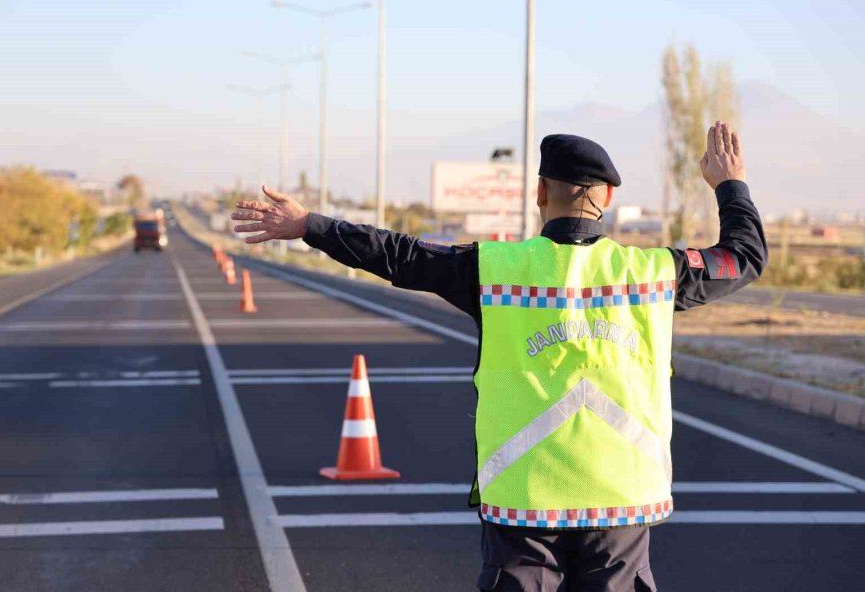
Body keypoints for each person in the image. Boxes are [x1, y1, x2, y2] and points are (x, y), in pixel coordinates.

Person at [231, 121, 767, 592]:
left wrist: (310, 225)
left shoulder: (494, 269)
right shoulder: (655, 274)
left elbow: (400, 255)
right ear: (606, 196)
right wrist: (730, 185)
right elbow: (743, 255)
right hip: (621, 501)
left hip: (523, 501)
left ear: (539, 192)